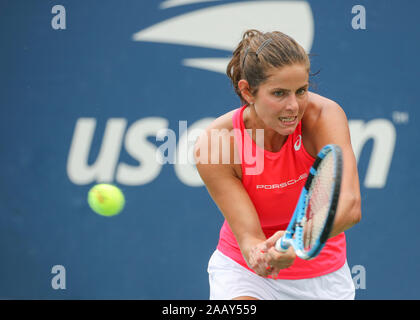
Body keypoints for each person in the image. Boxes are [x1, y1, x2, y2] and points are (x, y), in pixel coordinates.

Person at [194, 29, 362, 300]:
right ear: (248, 91)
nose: (293, 106)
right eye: (279, 93)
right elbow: (249, 237)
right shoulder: (217, 144)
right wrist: (260, 255)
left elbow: (350, 207)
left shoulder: (323, 117)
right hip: (245, 276)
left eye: (302, 91)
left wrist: (296, 241)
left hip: (324, 277)